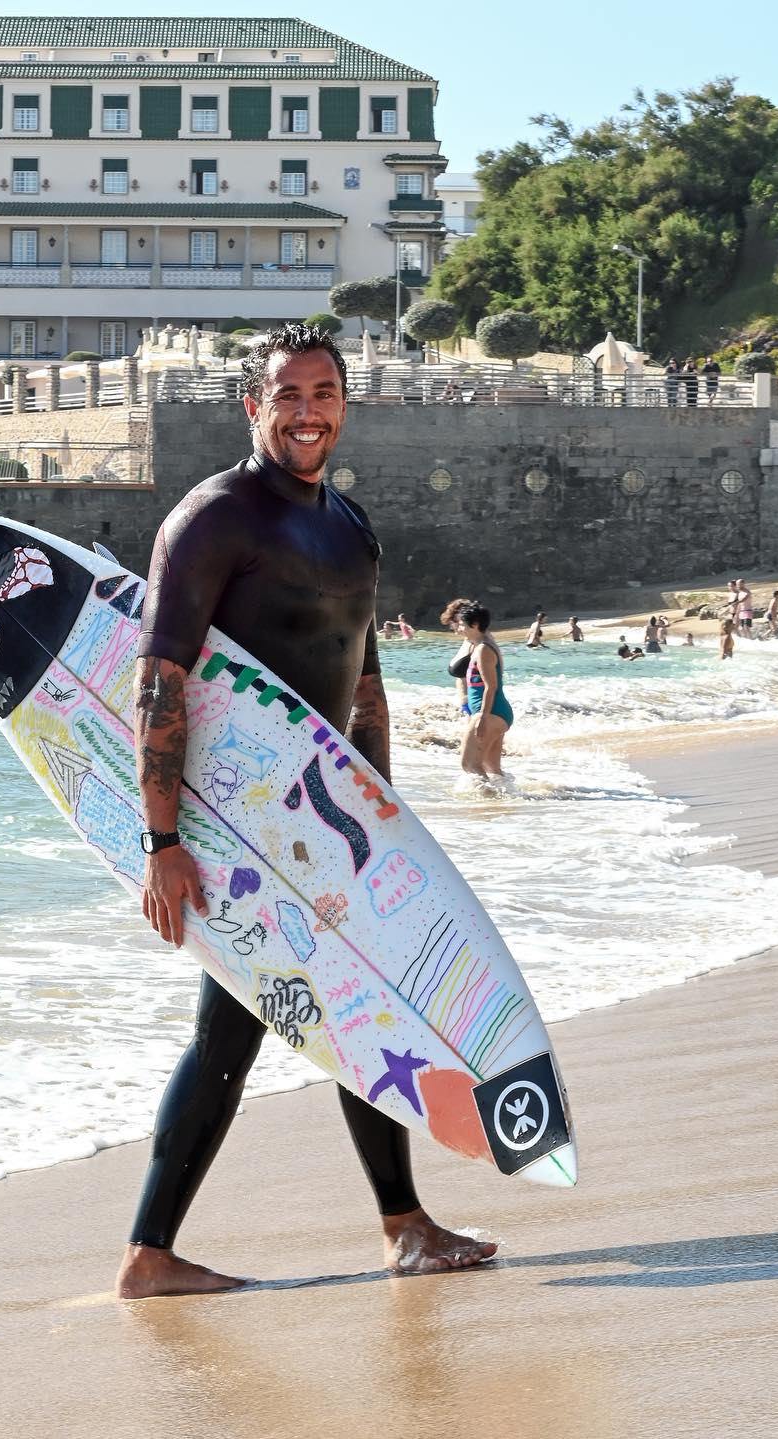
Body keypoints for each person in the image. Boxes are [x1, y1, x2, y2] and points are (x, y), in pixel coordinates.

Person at [119, 322, 496, 1300]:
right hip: (237, 826)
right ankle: (153, 1252)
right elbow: (158, 683)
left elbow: (361, 683)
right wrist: (161, 839)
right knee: (248, 1031)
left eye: (323, 392)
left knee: (350, 1008)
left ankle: (394, 1224)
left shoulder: (351, 526)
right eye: (287, 394)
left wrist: (384, 819)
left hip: (330, 823)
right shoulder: (212, 520)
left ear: (343, 404)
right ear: (255, 406)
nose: (307, 410)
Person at [444, 598, 513, 780]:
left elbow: (491, 686)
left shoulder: (483, 648)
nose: (458, 628)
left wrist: (482, 717)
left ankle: (485, 804)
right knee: (492, 769)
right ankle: (502, 803)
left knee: (469, 764)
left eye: (460, 624)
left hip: (491, 713)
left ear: (474, 625)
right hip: (493, 712)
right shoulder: (477, 646)